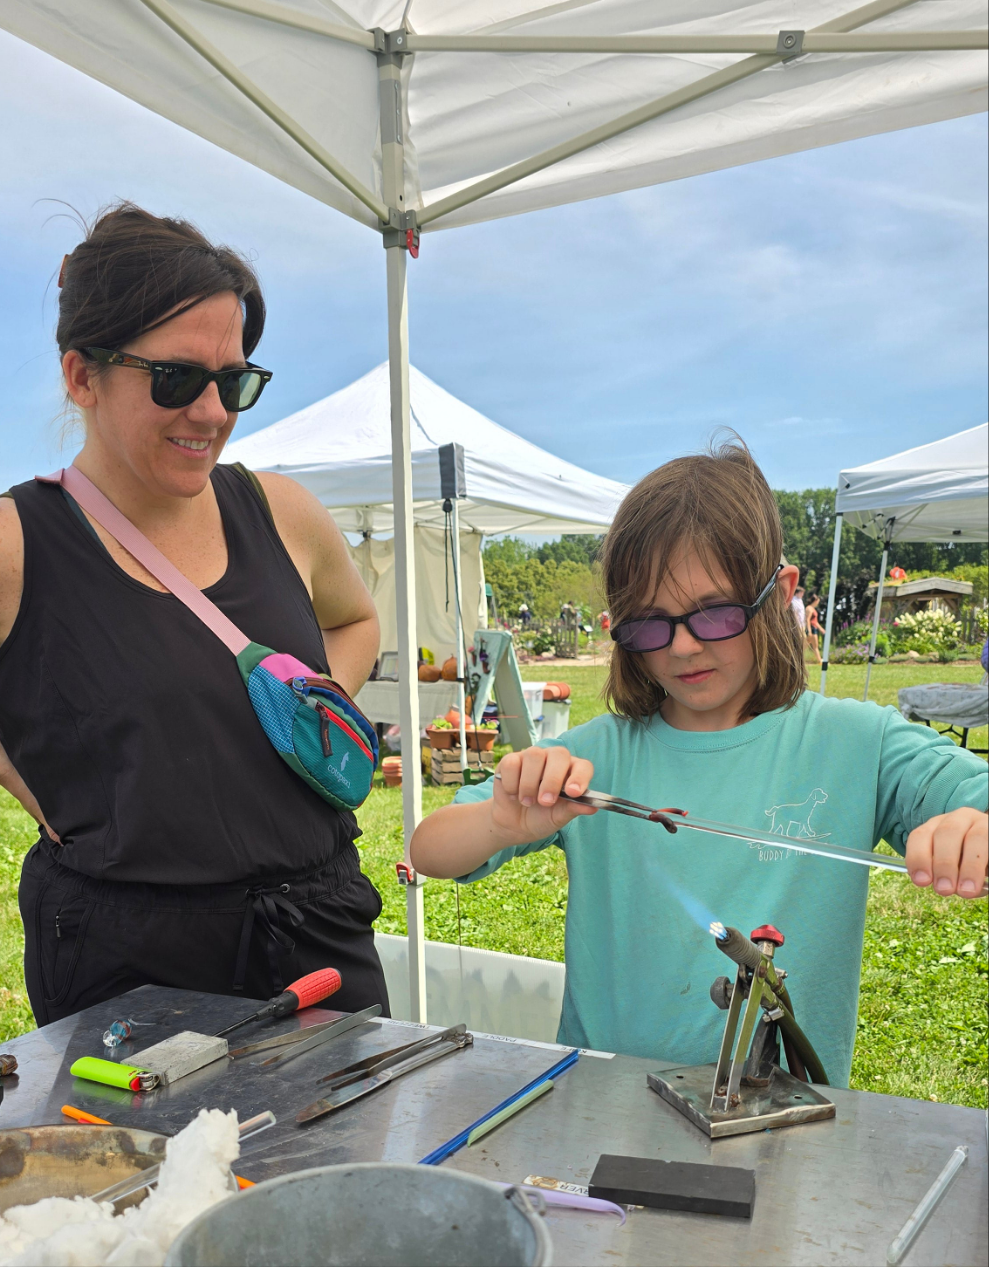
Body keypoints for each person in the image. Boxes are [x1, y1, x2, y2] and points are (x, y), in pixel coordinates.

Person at [409, 438, 987, 1087]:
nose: (682, 646)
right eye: (650, 624)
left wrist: (970, 829)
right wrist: (501, 821)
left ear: (779, 591)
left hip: (779, 1123)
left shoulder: (860, 743)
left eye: (713, 612)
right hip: (605, 1112)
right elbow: (428, 848)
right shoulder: (595, 755)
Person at [0, 204, 389, 1025]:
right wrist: (36, 790)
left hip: (317, 932)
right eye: (175, 379)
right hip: (126, 959)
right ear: (82, 376)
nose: (212, 412)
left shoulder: (280, 511)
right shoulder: (18, 541)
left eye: (235, 381)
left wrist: (318, 701)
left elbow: (356, 622)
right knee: (150, 1162)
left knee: (346, 1156)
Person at [805, 593, 823, 665]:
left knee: (806, 645)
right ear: (815, 600)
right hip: (811, 628)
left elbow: (816, 622)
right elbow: (808, 620)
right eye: (818, 601)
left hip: (814, 628)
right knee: (815, 646)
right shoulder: (809, 608)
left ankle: (797, 658)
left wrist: (821, 629)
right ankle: (820, 661)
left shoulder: (813, 609)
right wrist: (809, 631)